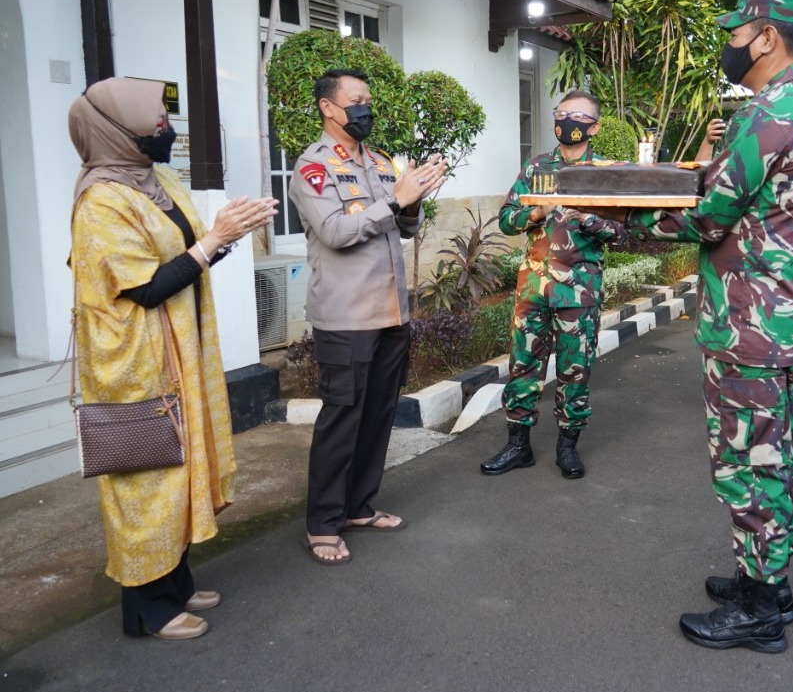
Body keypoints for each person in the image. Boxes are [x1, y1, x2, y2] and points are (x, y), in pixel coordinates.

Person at [623, 0, 793, 653]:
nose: (730, 45)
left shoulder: (771, 112)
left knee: (749, 464)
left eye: (737, 33)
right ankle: (765, 582)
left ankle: (760, 610)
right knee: (775, 457)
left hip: (754, 327)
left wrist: (620, 216)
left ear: (767, 37)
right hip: (786, 320)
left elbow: (709, 214)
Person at [69, 77, 277, 639]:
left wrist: (226, 233)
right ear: (116, 130)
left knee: (180, 471)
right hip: (137, 365)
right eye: (156, 118)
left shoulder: (156, 179)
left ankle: (175, 582)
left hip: (179, 353)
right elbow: (144, 288)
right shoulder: (102, 201)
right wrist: (213, 240)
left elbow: (185, 253)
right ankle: (148, 609)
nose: (166, 126)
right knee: (148, 480)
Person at [289, 69, 448, 565]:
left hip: (390, 311)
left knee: (378, 415)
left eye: (368, 101)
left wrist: (413, 202)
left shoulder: (379, 162)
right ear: (328, 107)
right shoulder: (313, 167)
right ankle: (323, 523)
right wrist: (396, 198)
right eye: (356, 100)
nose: (366, 109)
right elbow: (336, 232)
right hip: (346, 317)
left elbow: (403, 227)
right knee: (342, 419)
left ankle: (358, 507)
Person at [480, 90, 627, 480]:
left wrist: (587, 219)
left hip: (579, 289)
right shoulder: (536, 167)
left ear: (595, 127)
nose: (567, 121)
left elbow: (623, 233)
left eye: (577, 116)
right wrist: (536, 213)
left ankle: (568, 447)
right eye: (561, 114)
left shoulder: (604, 174)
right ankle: (518, 445)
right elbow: (506, 219)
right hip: (533, 288)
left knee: (574, 369)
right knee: (523, 365)